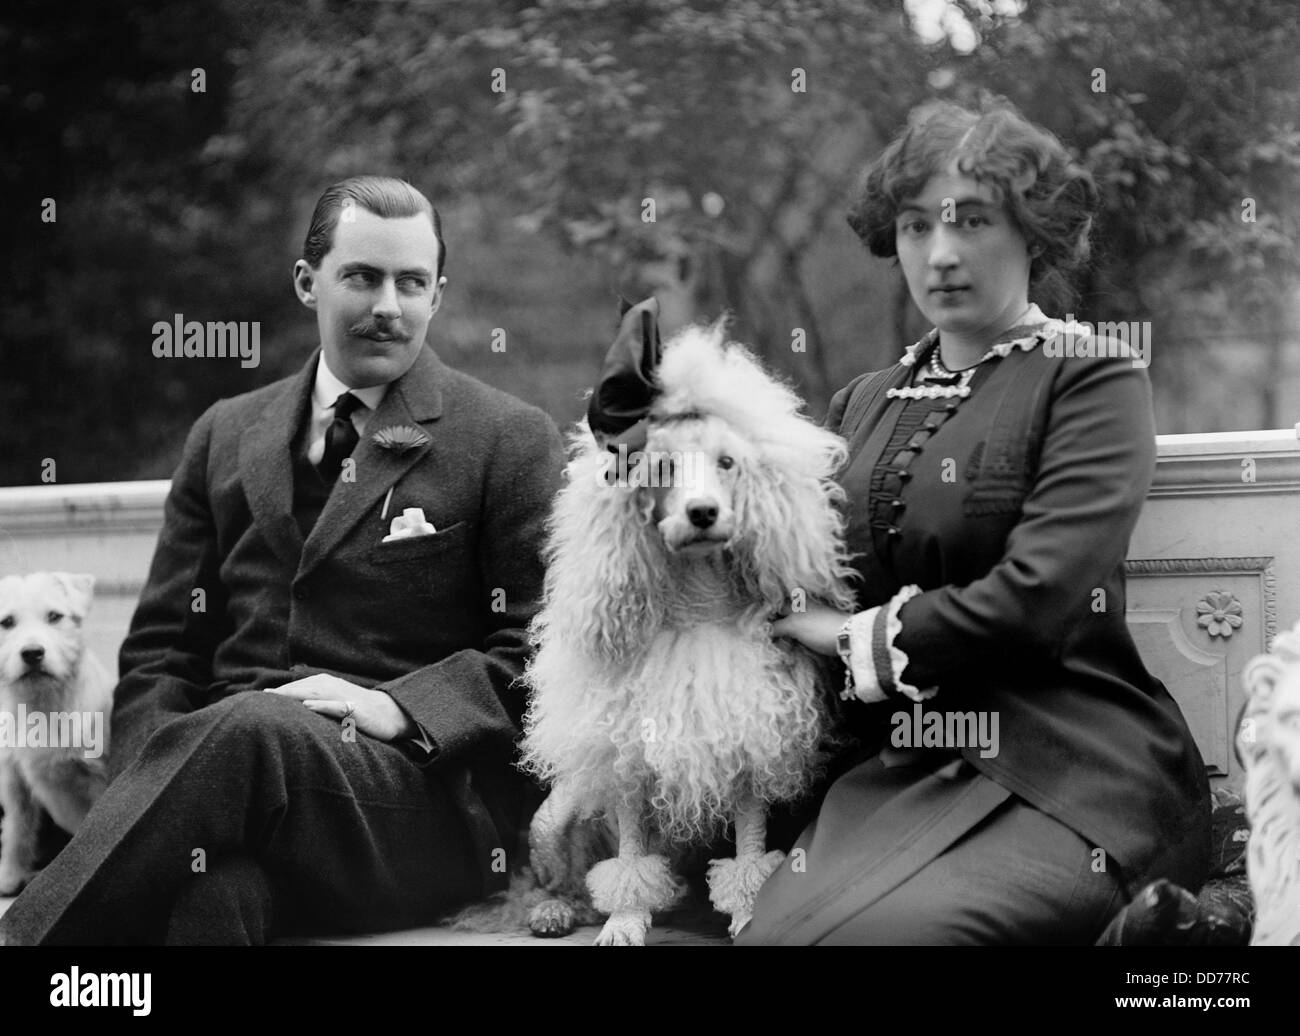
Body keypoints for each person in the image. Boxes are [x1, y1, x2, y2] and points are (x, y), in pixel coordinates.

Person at [0, 175, 564, 945]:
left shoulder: (508, 438)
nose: (388, 306)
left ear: (439, 293)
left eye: (411, 282)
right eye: (361, 277)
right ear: (308, 282)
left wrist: (403, 706)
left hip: (411, 806)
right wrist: (152, 784)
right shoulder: (225, 433)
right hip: (230, 791)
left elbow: (541, 655)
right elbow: (163, 651)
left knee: (249, 730)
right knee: (212, 901)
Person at [738, 101, 1210, 945]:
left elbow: (1041, 595)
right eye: (916, 227)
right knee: (777, 937)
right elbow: (793, 565)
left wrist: (850, 639)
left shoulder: (1090, 376)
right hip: (899, 769)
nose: (941, 253)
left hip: (1071, 767)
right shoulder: (862, 403)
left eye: (973, 221)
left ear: (1035, 232)